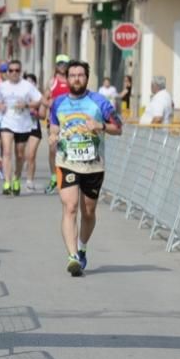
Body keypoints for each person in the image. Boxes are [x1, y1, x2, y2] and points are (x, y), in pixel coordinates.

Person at [50, 60, 122, 276]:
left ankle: (81, 248)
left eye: (81, 75)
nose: (76, 79)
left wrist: (100, 126)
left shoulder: (100, 102)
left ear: (87, 78)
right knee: (70, 207)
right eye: (72, 75)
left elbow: (118, 128)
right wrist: (52, 136)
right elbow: (53, 126)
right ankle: (72, 257)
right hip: (66, 162)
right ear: (67, 78)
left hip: (93, 165)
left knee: (88, 211)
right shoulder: (58, 103)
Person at [0, 59, 41, 196]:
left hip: (23, 124)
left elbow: (38, 100)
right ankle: (7, 182)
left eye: (17, 70)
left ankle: (16, 178)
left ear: (20, 72)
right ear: (7, 72)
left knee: (20, 154)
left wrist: (26, 105)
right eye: (11, 70)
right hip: (7, 122)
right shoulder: (2, 86)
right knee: (6, 151)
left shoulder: (27, 86)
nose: (14, 73)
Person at [44, 54, 71, 194]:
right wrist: (49, 103)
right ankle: (54, 177)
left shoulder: (72, 80)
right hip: (54, 120)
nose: (62, 66)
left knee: (67, 149)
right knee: (53, 149)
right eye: (60, 63)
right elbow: (45, 98)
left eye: (65, 63)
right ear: (56, 65)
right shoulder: (52, 81)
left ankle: (66, 177)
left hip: (69, 121)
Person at [22, 72, 43, 192]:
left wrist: (37, 113)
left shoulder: (39, 97)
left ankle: (30, 180)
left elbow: (43, 115)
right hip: (21, 128)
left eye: (32, 82)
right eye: (27, 82)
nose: (30, 84)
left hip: (35, 128)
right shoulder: (21, 95)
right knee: (22, 155)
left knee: (31, 155)